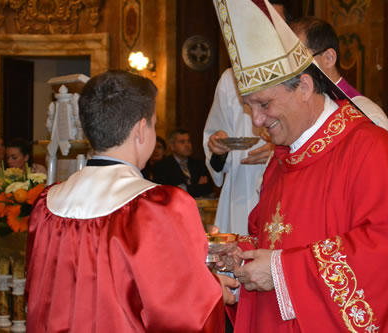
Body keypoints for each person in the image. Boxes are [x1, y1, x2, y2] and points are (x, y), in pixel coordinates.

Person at [211, 0, 388, 332]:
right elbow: (270, 235)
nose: (257, 120)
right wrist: (240, 255)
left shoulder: (370, 150)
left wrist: (280, 271)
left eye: (264, 104)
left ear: (304, 87)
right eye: (248, 106)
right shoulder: (282, 158)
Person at [25, 70, 237, 332]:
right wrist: (213, 288)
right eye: (154, 123)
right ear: (140, 129)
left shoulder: (47, 203)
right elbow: (181, 315)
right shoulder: (158, 206)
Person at [290, 16, 388, 140]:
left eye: (298, 60)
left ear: (329, 58)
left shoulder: (366, 115)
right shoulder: (299, 112)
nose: (291, 71)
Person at [203, 69, 273, 235]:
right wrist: (219, 149)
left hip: (285, 179)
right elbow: (215, 134)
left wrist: (280, 148)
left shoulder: (291, 64)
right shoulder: (231, 78)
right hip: (243, 184)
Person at [154, 129, 213, 198]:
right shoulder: (162, 167)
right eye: (182, 142)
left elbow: (208, 189)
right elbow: (167, 193)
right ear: (172, 147)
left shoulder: (199, 165)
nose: (187, 145)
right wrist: (197, 187)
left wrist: (185, 188)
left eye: (189, 141)